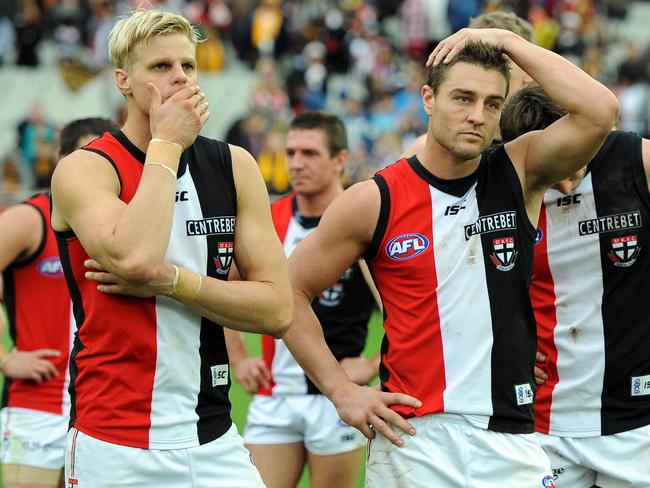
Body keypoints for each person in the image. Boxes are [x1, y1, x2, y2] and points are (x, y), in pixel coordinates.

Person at [281, 27, 619, 487]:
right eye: (462, 98)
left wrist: (506, 40)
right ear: (428, 98)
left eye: (492, 104)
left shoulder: (520, 171)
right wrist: (340, 391)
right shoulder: (374, 200)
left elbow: (601, 112)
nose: (477, 116)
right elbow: (287, 292)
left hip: (512, 435)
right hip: (414, 437)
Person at [50, 9, 292, 488]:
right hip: (115, 442)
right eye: (160, 67)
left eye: (188, 65)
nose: (180, 77)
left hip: (214, 436)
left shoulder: (233, 165)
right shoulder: (86, 169)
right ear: (124, 81)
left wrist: (175, 282)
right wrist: (166, 143)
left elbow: (277, 309)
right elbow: (135, 259)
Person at [499, 85, 650, 488]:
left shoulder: (634, 160)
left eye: (573, 161)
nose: (565, 184)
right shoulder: (502, 186)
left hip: (636, 419)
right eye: (551, 169)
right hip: (545, 422)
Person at [225, 111, 379, 488]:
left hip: (335, 397)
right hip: (274, 396)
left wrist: (376, 363)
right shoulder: (268, 217)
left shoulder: (365, 218)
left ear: (340, 160)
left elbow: (406, 306)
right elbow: (227, 287)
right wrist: (240, 358)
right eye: (291, 152)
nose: (296, 163)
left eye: (309, 153)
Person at [0, 116, 117, 488]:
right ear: (60, 159)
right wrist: (4, 359)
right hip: (38, 407)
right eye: (83, 155)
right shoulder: (28, 220)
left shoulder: (124, 229)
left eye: (102, 156)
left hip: (104, 409)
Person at [401, 10, 536, 157]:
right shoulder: (424, 150)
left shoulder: (538, 140)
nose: (488, 70)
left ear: (529, 73)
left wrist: (505, 39)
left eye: (501, 62)